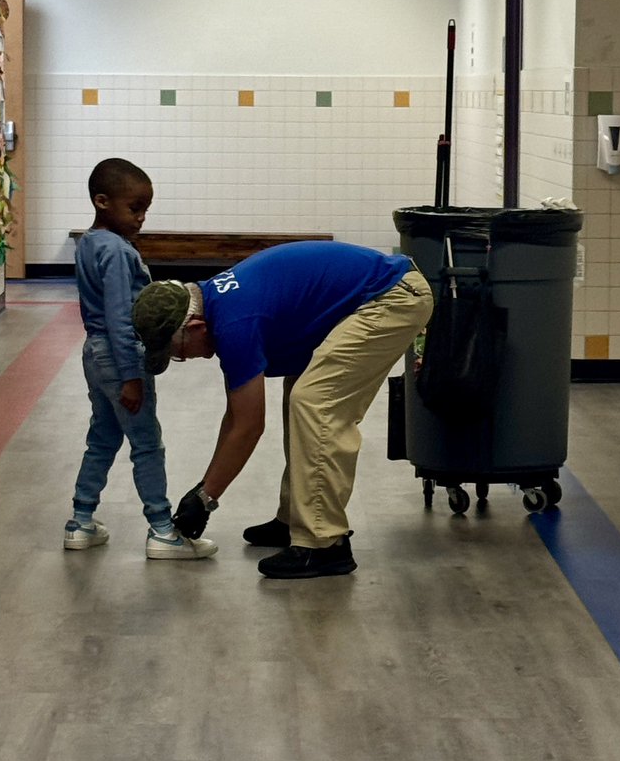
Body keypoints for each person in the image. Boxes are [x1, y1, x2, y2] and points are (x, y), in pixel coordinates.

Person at [131, 241, 433, 579]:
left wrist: (205, 497)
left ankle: (324, 543)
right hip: (378, 293)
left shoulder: (234, 323)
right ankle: (296, 519)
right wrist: (204, 491)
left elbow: (248, 426)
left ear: (196, 327)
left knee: (315, 402)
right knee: (300, 392)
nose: (185, 359)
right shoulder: (218, 305)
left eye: (179, 352)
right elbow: (235, 417)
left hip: (392, 298)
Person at [65, 157, 217, 562]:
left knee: (103, 437)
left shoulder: (89, 243)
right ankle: (163, 529)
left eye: (145, 209)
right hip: (120, 356)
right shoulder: (116, 251)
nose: (141, 218)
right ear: (102, 201)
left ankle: (81, 521)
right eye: (134, 208)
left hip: (94, 354)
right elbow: (119, 316)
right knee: (147, 444)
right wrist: (132, 376)